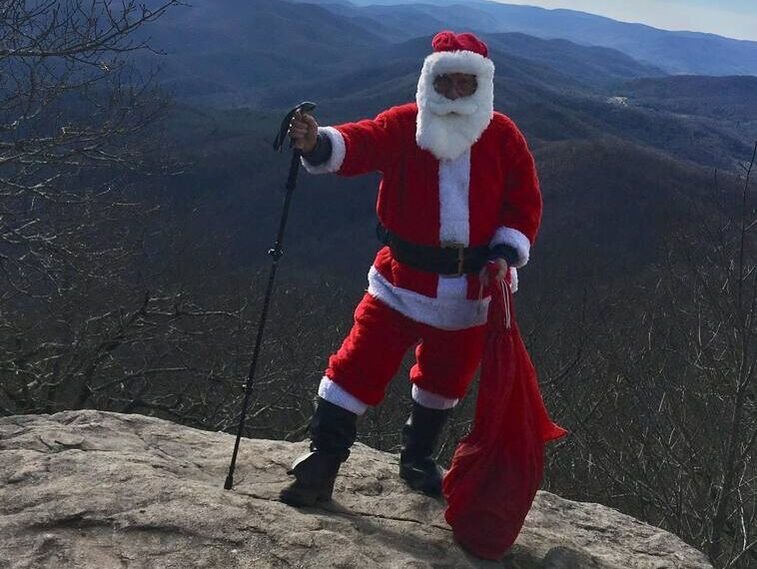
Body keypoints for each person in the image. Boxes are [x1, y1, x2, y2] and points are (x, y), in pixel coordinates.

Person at [280, 30, 542, 507]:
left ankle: (418, 457)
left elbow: (522, 204)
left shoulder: (503, 137)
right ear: (430, 81)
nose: (456, 93)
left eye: (467, 83)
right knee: (358, 364)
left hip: (470, 291)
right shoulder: (405, 126)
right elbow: (362, 141)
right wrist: (318, 142)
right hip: (399, 282)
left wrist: (504, 253)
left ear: (482, 86)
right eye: (447, 82)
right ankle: (322, 461)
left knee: (446, 378)